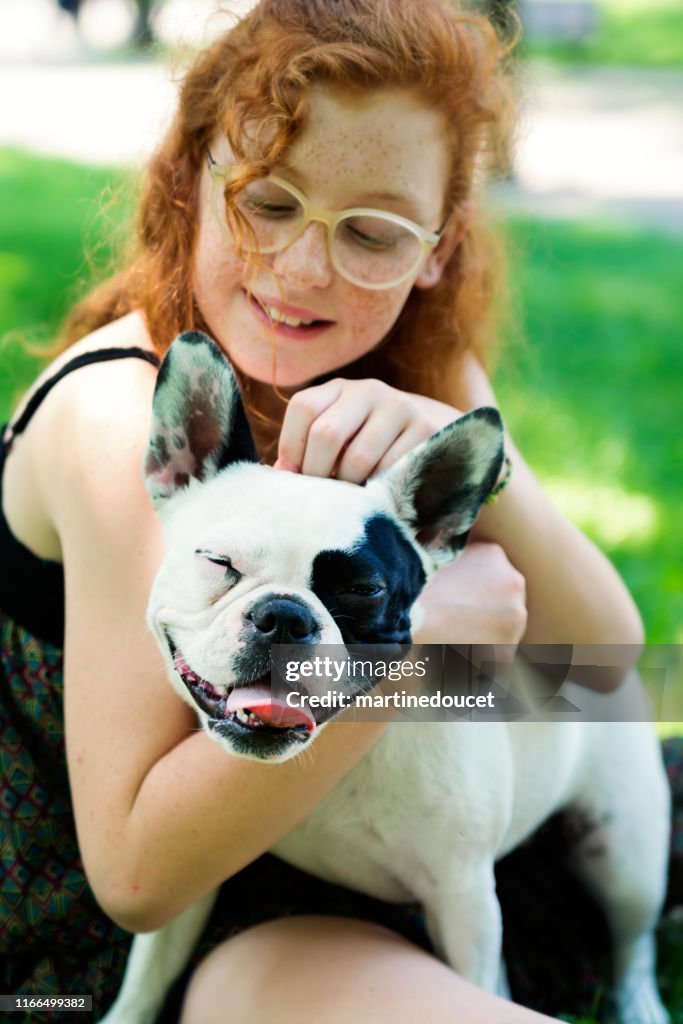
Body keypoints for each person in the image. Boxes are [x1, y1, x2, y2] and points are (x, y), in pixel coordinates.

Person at [0, 1, 671, 1021]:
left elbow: (599, 667)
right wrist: (413, 643)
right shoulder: (117, 416)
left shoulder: (415, 375)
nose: (304, 269)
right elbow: (136, 876)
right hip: (172, 898)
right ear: (190, 180)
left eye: (369, 232)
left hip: (391, 841)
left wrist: (478, 458)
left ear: (435, 251)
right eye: (266, 204)